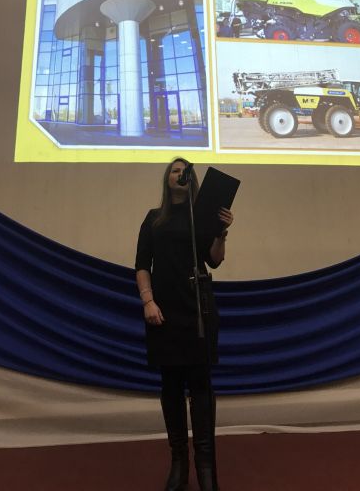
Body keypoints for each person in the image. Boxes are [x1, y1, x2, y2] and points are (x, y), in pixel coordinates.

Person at [135, 158, 233, 491]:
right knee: (172, 388)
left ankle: (206, 468)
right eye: (175, 170)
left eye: (185, 171)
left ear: (193, 180)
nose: (180, 174)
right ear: (168, 179)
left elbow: (214, 260)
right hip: (164, 312)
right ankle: (179, 463)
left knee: (201, 387)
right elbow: (142, 264)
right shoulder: (153, 218)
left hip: (197, 312)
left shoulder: (200, 217)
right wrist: (148, 301)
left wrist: (221, 233)